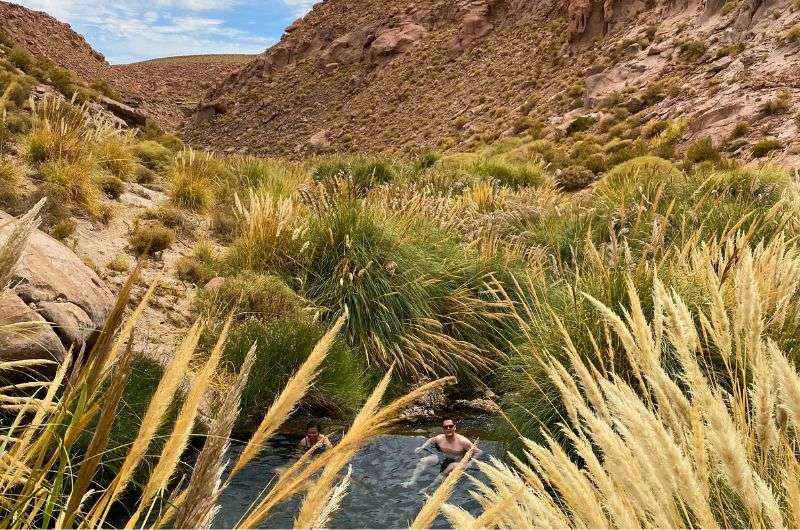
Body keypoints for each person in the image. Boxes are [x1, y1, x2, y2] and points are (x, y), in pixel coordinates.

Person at [401, 417, 482, 493]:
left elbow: (479, 452)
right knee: (424, 460)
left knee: (450, 466)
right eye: (446, 427)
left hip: (457, 460)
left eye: (450, 426)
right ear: (443, 429)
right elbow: (430, 440)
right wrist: (422, 447)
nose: (448, 428)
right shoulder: (440, 438)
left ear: (455, 427)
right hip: (443, 456)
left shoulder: (463, 441)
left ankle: (430, 488)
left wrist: (469, 464)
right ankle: (412, 481)